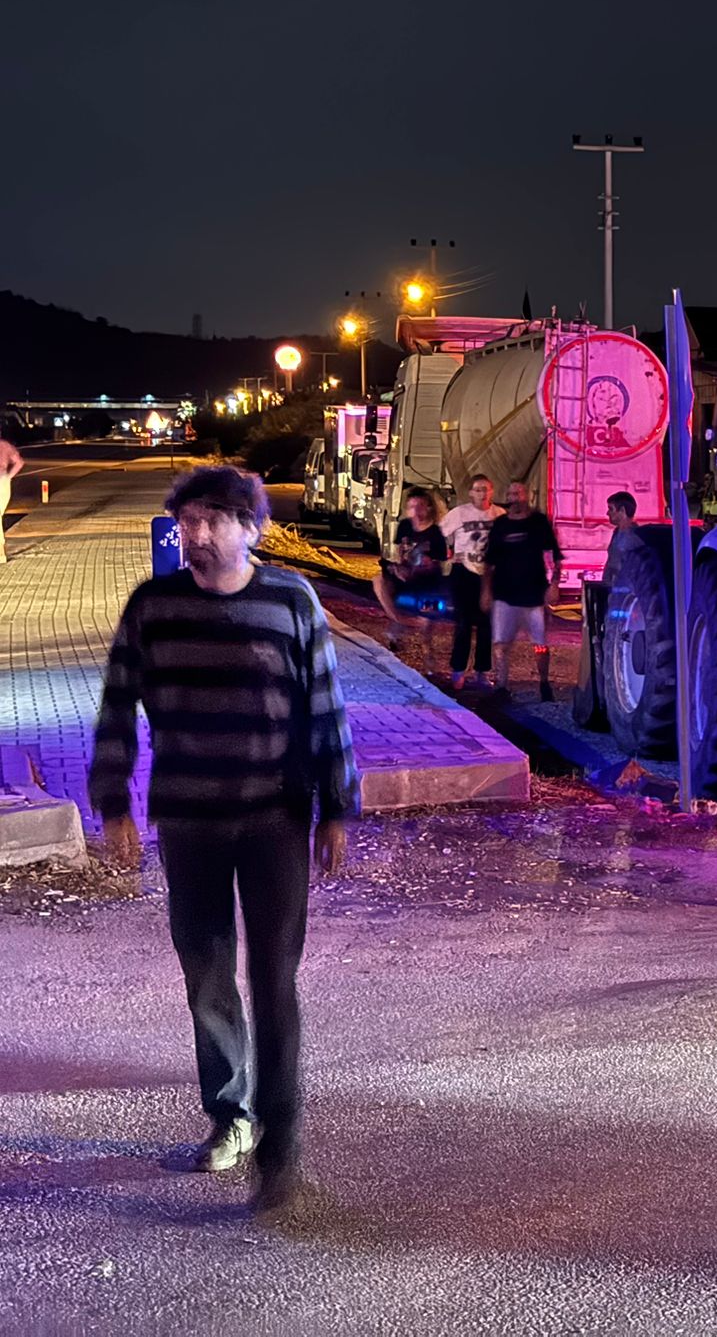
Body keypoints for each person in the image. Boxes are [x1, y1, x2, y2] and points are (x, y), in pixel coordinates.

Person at [89, 466, 357, 1219]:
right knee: (207, 974)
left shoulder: (291, 601)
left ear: (251, 530)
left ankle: (281, 1145)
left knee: (274, 980)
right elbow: (116, 706)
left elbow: (325, 707)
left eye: (214, 519)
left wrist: (337, 807)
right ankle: (231, 1115)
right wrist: (113, 802)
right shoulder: (154, 607)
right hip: (190, 820)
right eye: (189, 520)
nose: (197, 535)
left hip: (276, 820)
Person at [483, 480, 561, 701]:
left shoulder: (538, 523)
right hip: (504, 594)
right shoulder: (500, 525)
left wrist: (554, 584)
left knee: (540, 645)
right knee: (500, 643)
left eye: (517, 493)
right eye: (510, 494)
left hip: (533, 595)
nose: (513, 498)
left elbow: (554, 555)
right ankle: (501, 685)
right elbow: (489, 562)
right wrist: (486, 591)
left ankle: (544, 683)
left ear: (526, 496)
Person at [439, 474, 503, 690]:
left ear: (492, 491)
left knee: (487, 625)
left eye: (485, 489)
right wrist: (448, 555)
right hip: (464, 572)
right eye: (477, 489)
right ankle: (458, 670)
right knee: (464, 623)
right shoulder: (460, 513)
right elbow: (439, 535)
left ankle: (482, 672)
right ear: (470, 492)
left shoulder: (499, 515)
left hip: (490, 574)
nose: (482, 493)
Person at [372, 489, 450, 646]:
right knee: (378, 581)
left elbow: (440, 560)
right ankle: (398, 620)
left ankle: (428, 659)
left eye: (419, 506)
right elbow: (400, 550)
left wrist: (426, 563)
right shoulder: (405, 526)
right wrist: (397, 567)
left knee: (427, 625)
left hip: (427, 580)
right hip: (406, 574)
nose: (415, 511)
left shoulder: (435, 533)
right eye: (411, 507)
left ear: (428, 507)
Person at [0, 437, 22, 563]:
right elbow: (19, 462)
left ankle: (1, 552)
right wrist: (9, 476)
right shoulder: (5, 445)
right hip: (3, 481)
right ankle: (1, 552)